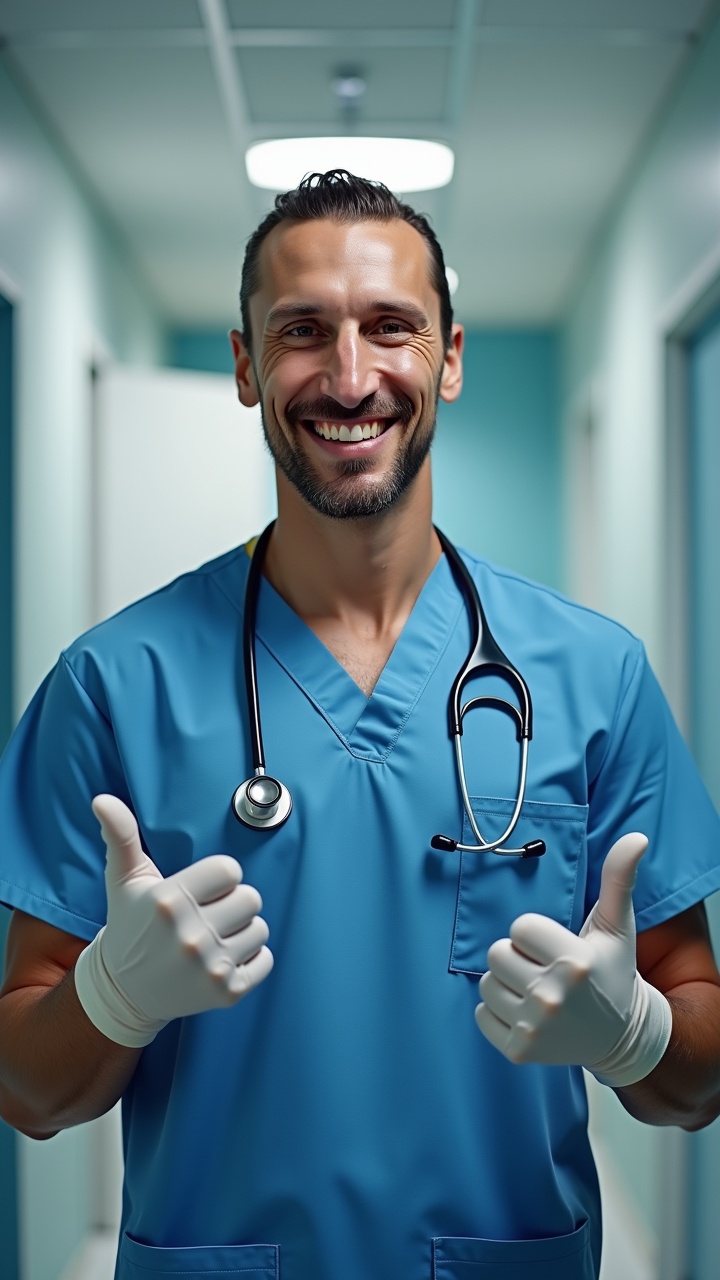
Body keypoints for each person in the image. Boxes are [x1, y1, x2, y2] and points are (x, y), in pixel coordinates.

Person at [0, 170, 719, 1280]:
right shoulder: (111, 683)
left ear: (452, 357)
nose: (349, 375)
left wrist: (638, 1034)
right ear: (246, 365)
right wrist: (111, 994)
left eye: (392, 327)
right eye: (301, 331)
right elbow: (28, 1090)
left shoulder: (595, 675)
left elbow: (698, 1079)